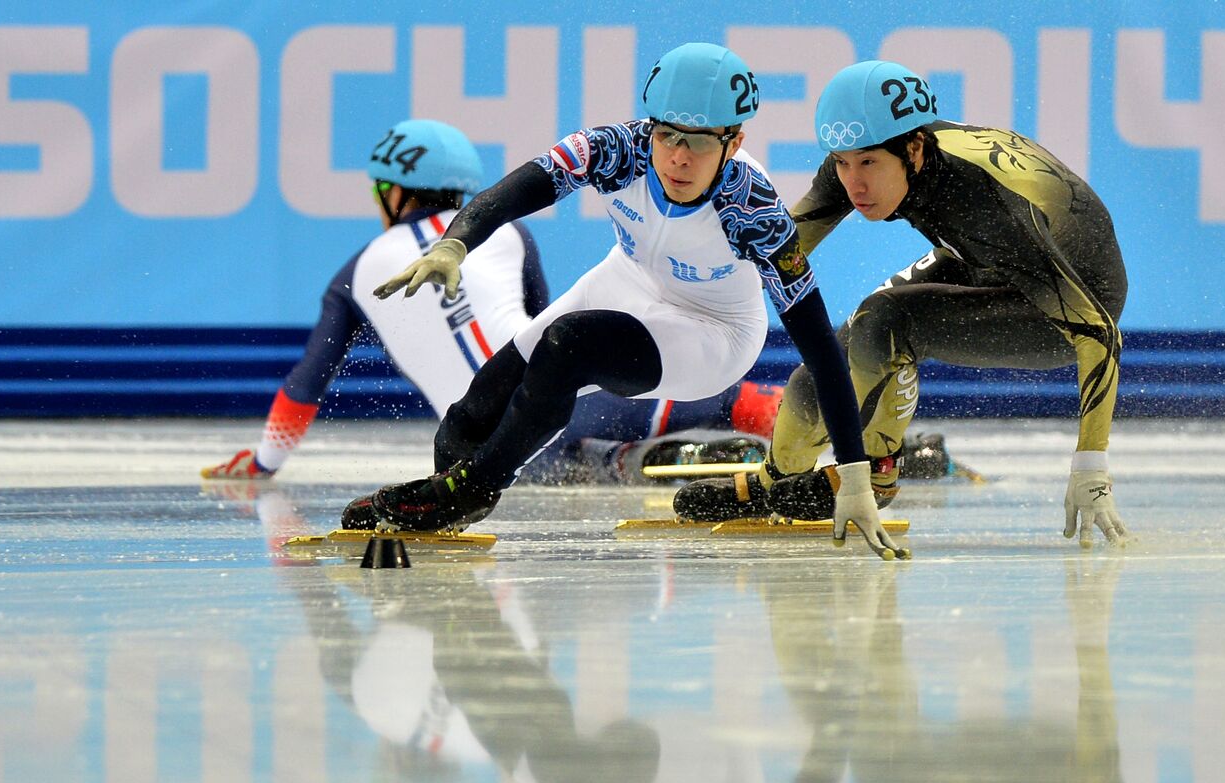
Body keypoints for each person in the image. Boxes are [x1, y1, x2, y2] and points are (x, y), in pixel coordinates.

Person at [355, 43, 901, 557]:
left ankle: (470, 491)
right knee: (471, 415)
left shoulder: (754, 212)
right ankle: (446, 496)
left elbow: (819, 348)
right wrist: (456, 242)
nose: (679, 159)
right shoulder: (622, 149)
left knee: (567, 345)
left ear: (734, 143)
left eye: (702, 142)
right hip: (628, 279)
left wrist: (854, 473)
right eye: (669, 136)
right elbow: (522, 186)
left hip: (713, 330)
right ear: (651, 129)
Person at [675, 60, 1130, 547]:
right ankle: (776, 480)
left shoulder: (987, 205)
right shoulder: (873, 149)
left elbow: (1099, 333)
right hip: (978, 260)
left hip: (1067, 303)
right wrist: (691, 291)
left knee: (887, 320)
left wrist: (1091, 466)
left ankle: (876, 470)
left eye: (868, 164)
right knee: (832, 355)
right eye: (842, 163)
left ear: (914, 150)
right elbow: (780, 246)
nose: (854, 183)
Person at [200, 118, 780, 484]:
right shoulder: (508, 234)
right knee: (714, 398)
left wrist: (263, 463)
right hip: (581, 403)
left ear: (395, 191)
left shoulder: (355, 271)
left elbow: (306, 383)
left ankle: (624, 463)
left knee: (555, 461)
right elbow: (558, 334)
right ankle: (784, 417)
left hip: (492, 442)